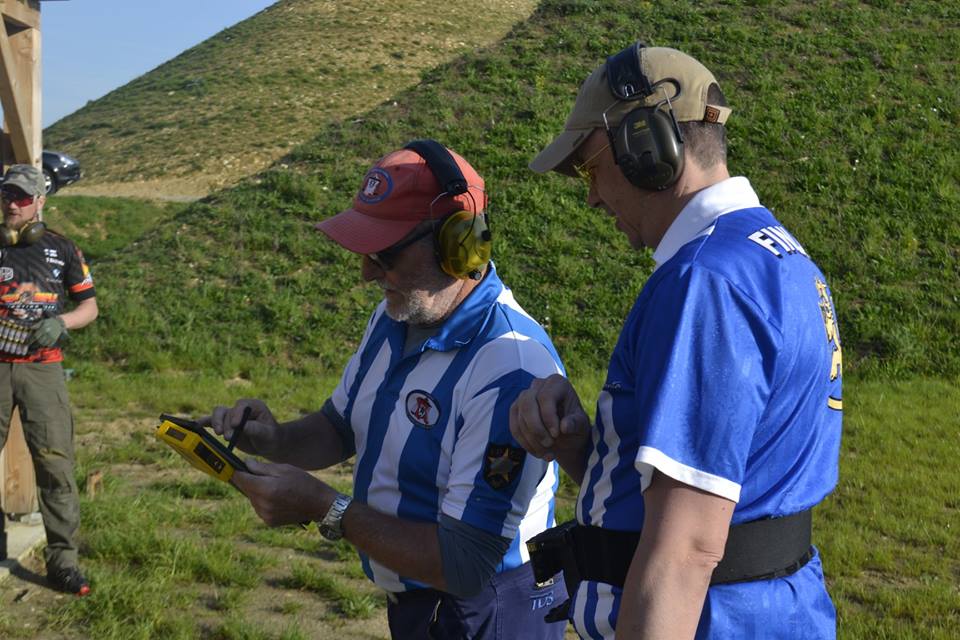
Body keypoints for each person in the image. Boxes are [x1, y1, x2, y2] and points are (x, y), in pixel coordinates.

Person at [509, 43, 843, 639]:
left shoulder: (703, 282)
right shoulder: (778, 255)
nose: (589, 196)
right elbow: (731, 486)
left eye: (590, 168)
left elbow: (686, 549)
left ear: (646, 147)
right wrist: (587, 450)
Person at [202, 140, 567, 639]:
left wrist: (324, 508)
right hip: (424, 602)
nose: (367, 271)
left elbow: (466, 563)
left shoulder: (508, 367)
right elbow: (340, 425)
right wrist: (273, 439)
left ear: (458, 244)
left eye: (386, 253)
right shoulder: (398, 313)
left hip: (488, 612)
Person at [0, 164, 98, 596]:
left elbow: (88, 308)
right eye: (7, 195)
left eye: (22, 196)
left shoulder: (64, 249)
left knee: (55, 466)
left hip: (43, 369)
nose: (12, 203)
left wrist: (61, 322)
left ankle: (63, 563)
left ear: (40, 201)